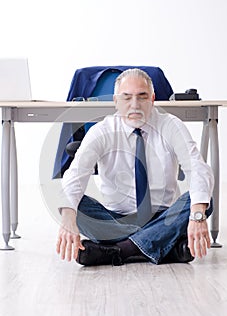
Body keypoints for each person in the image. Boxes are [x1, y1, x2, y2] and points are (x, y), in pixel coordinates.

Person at [56, 68, 214, 266]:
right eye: (126, 97)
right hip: (116, 220)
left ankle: (121, 251)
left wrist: (197, 216)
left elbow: (197, 167)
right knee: (73, 206)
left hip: (164, 216)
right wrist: (68, 219)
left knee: (202, 200)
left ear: (153, 99)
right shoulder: (102, 131)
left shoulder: (171, 125)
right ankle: (162, 245)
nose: (134, 105)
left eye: (142, 96)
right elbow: (76, 173)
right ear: (115, 100)